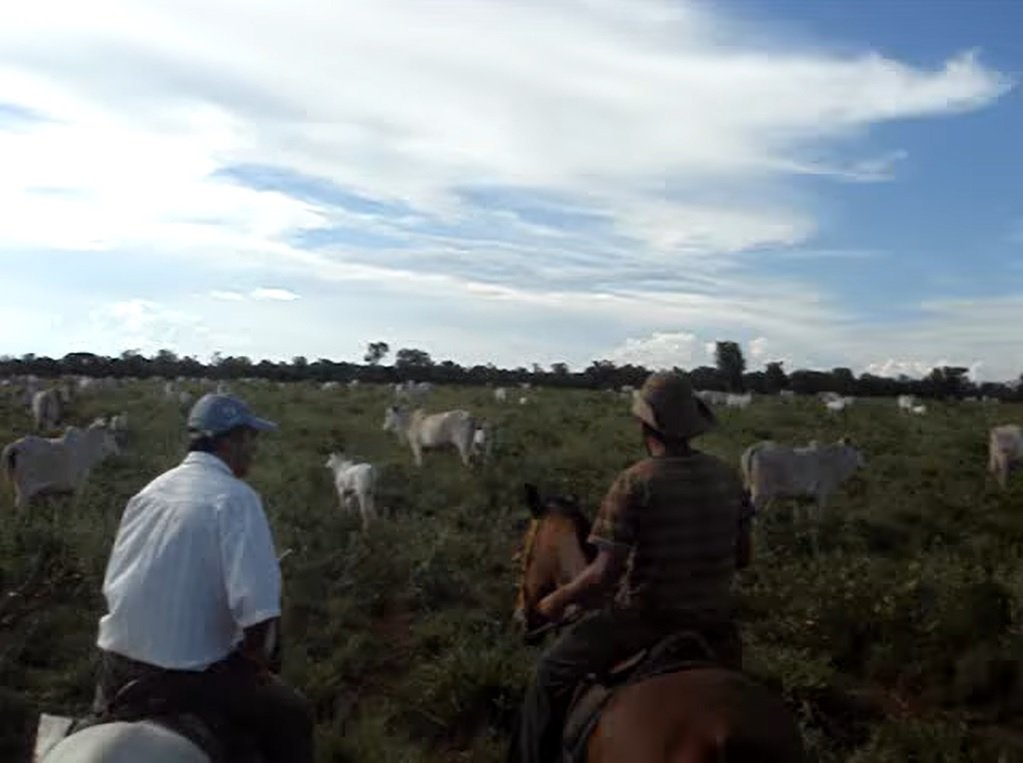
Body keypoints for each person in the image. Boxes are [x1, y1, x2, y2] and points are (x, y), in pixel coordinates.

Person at [510, 371, 754, 763]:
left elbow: (603, 575)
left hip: (645, 619)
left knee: (550, 674)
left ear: (645, 424)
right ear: (692, 424)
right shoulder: (727, 477)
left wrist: (554, 602)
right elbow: (743, 556)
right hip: (716, 625)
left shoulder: (634, 482)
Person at [92, 393, 314, 763]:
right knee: (292, 715)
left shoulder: (148, 493)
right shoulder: (236, 499)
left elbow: (117, 578)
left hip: (116, 663)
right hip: (189, 678)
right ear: (229, 440)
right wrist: (255, 664)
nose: (254, 449)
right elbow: (259, 614)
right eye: (250, 438)